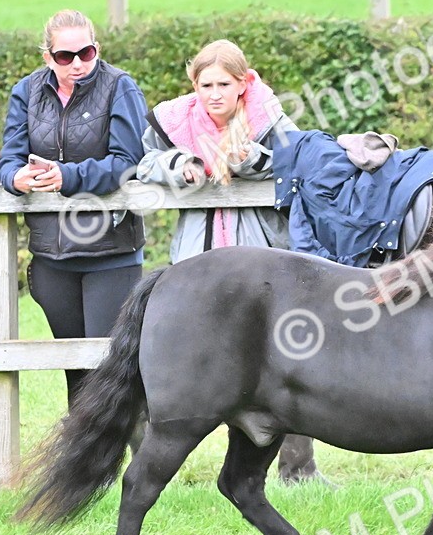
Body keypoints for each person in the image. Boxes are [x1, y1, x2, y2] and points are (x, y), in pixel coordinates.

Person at [136, 39, 326, 485]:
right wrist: (178, 164)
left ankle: (298, 469)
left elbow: (298, 161)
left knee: (281, 358)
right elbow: (144, 162)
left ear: (244, 84)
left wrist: (253, 160)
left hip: (263, 255)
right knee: (191, 354)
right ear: (194, 84)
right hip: (198, 254)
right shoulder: (173, 121)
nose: (214, 93)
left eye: (224, 84)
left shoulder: (271, 120)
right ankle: (157, 460)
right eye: (206, 84)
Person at [0, 10, 147, 408]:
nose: (78, 63)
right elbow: (7, 159)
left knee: (113, 369)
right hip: (51, 254)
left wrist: (68, 176)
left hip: (111, 251)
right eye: (65, 56)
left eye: (87, 52)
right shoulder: (25, 92)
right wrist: (16, 179)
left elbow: (128, 161)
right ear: (47, 57)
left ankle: (142, 464)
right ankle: (83, 467)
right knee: (75, 375)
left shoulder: (120, 87)